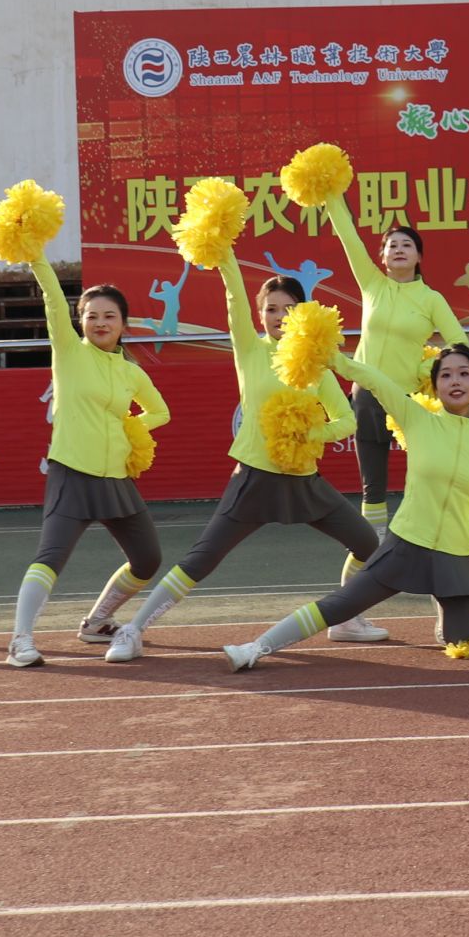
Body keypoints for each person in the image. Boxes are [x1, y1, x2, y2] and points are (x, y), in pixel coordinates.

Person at [104, 250, 377, 661]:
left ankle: (347, 618)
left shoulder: (316, 364)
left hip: (305, 481)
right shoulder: (250, 349)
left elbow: (346, 421)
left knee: (368, 543)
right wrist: (226, 252)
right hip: (255, 478)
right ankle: (133, 629)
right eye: (270, 309)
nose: (279, 316)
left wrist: (309, 432)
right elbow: (233, 294)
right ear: (260, 314)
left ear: (303, 313)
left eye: (289, 308)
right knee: (202, 558)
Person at [226, 345, 469, 670]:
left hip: (457, 555)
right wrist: (332, 359)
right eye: (446, 375)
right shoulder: (416, 418)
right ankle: (254, 647)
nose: (455, 381)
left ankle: (444, 608)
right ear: (435, 385)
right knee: (341, 604)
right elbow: (375, 380)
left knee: (463, 642)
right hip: (408, 543)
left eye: (464, 374)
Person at [6, 260, 171, 668]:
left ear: (123, 324)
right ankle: (20, 640)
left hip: (116, 478)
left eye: (109, 316)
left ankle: (97, 622)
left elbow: (160, 412)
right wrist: (36, 256)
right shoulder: (68, 352)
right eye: (91, 315)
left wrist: (129, 428)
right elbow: (52, 300)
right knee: (50, 557)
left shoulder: (130, 372)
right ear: (79, 322)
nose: (100, 323)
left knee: (147, 559)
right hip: (72, 473)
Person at [320, 182, 469, 574]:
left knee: (426, 477)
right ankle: (371, 559)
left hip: (409, 402)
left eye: (407, 244)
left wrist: (426, 370)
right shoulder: (372, 284)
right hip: (368, 397)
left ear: (419, 256)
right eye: (392, 245)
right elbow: (347, 234)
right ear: (383, 256)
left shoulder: (431, 299)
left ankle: (439, 549)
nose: (399, 249)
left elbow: (460, 345)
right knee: (373, 486)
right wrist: (328, 190)